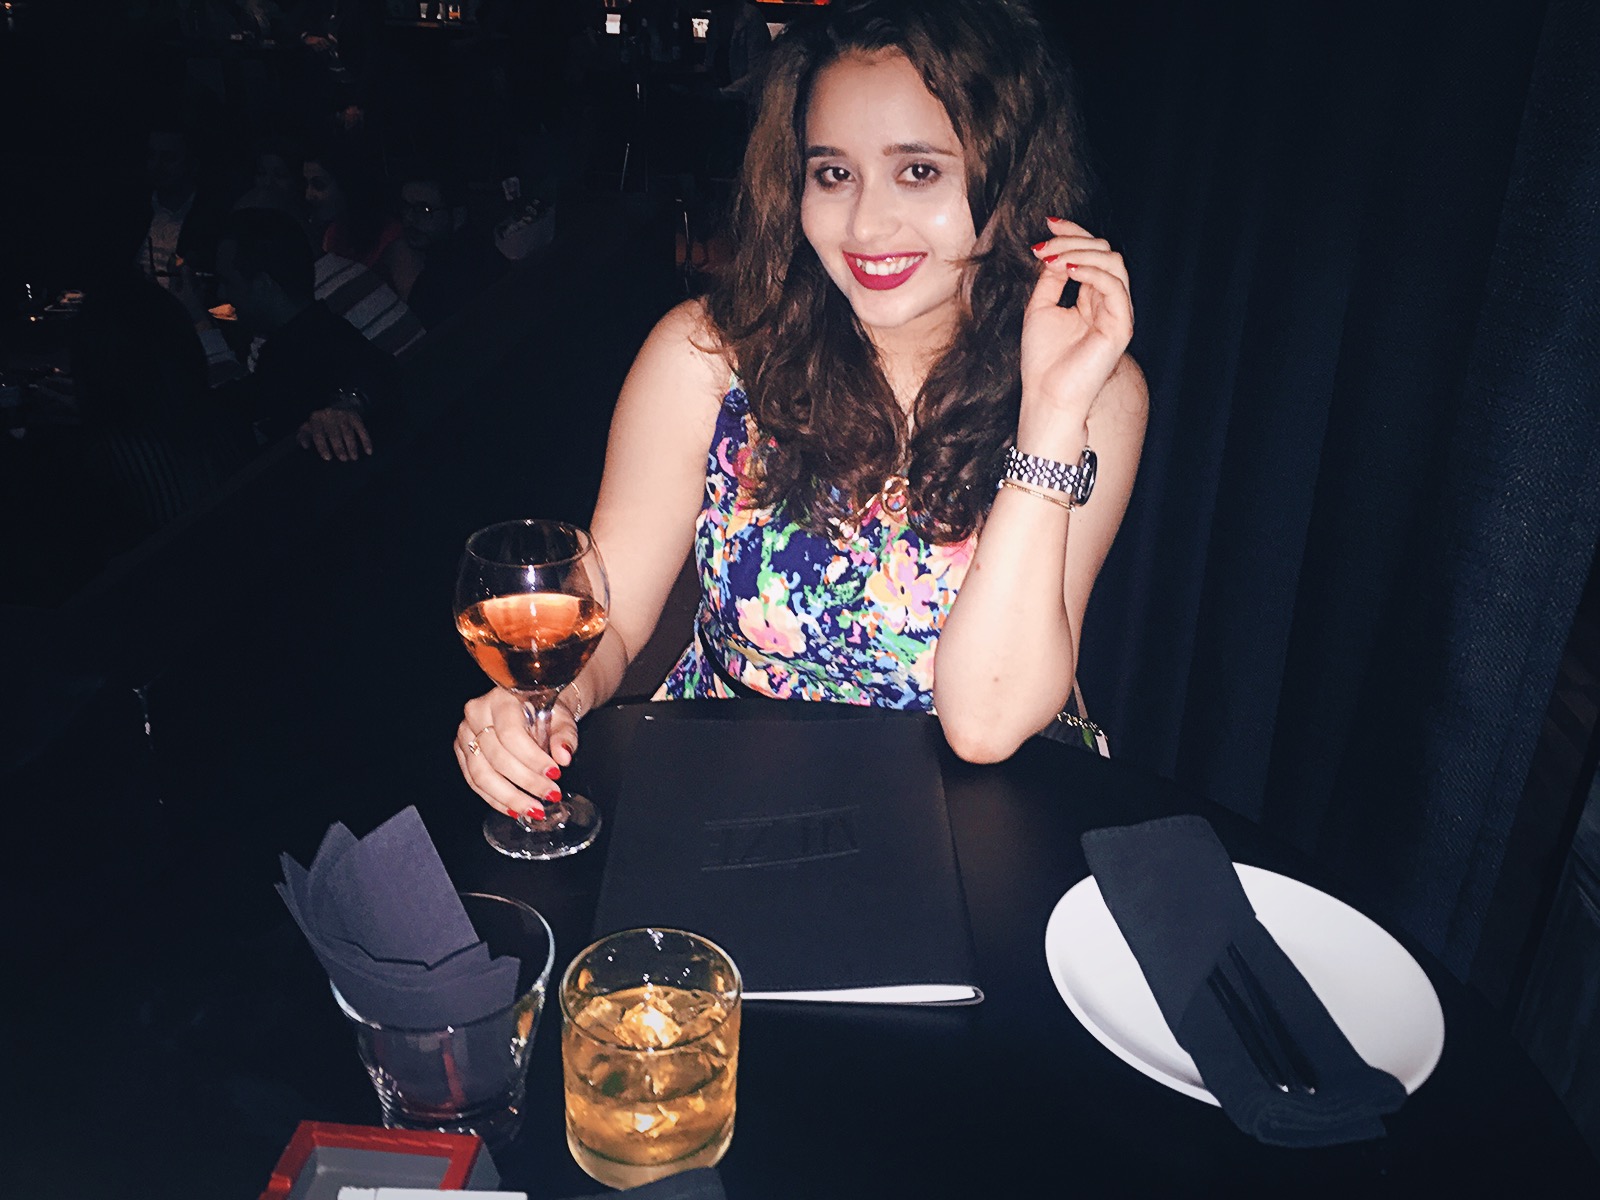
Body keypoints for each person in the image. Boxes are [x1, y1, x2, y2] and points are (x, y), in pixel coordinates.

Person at [453, 0, 1148, 821]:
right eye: (834, 174)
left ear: (1012, 178)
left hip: (962, 819)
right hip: (722, 798)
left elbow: (985, 725)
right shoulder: (707, 355)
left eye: (919, 171)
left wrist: (1050, 414)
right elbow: (614, 621)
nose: (866, 224)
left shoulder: (1092, 388)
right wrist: (547, 705)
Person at [183, 207, 400, 461]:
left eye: (229, 282)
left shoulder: (314, 347)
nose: (222, 294)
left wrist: (349, 403)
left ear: (263, 285)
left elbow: (379, 369)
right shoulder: (298, 342)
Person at [385, 171, 507, 332]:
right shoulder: (476, 246)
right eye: (405, 207)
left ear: (458, 215)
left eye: (424, 210)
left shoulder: (455, 272)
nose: (409, 218)